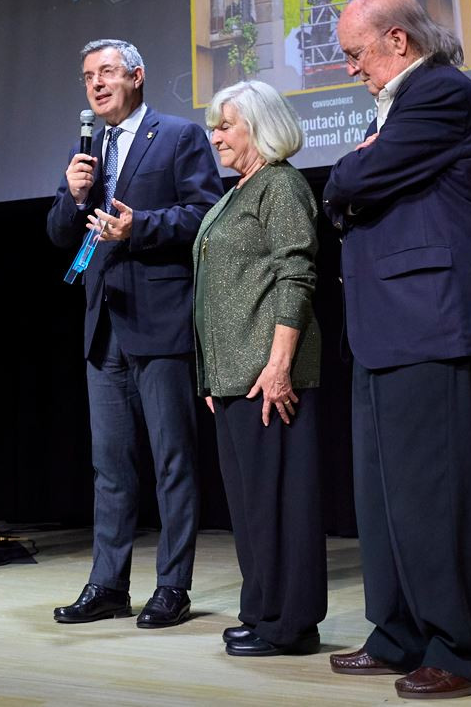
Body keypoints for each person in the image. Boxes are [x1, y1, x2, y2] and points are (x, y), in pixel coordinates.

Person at [322, 0, 471, 698]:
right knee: (382, 499)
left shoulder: (440, 93)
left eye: (354, 53)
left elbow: (352, 179)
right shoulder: (397, 107)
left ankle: (462, 655)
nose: (349, 69)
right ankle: (399, 635)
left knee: (432, 497)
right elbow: (356, 187)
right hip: (383, 327)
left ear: (397, 41)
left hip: (430, 319)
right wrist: (354, 181)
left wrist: (350, 176)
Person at [47, 39, 223, 627]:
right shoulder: (88, 153)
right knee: (110, 466)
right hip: (104, 329)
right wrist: (73, 196)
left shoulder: (178, 136)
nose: (95, 84)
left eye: (106, 73)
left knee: (172, 460)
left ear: (137, 76)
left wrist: (138, 227)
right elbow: (57, 233)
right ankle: (108, 585)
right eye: (86, 76)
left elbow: (204, 214)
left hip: (162, 323)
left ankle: (173, 585)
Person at [192, 80, 325, 657]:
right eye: (214, 126)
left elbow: (296, 275)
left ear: (260, 127)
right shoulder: (233, 193)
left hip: (269, 376)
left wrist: (278, 366)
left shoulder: (282, 185)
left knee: (281, 505)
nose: (214, 135)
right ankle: (262, 610)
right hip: (232, 379)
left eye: (225, 125)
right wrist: (212, 375)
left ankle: (290, 624)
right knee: (250, 507)